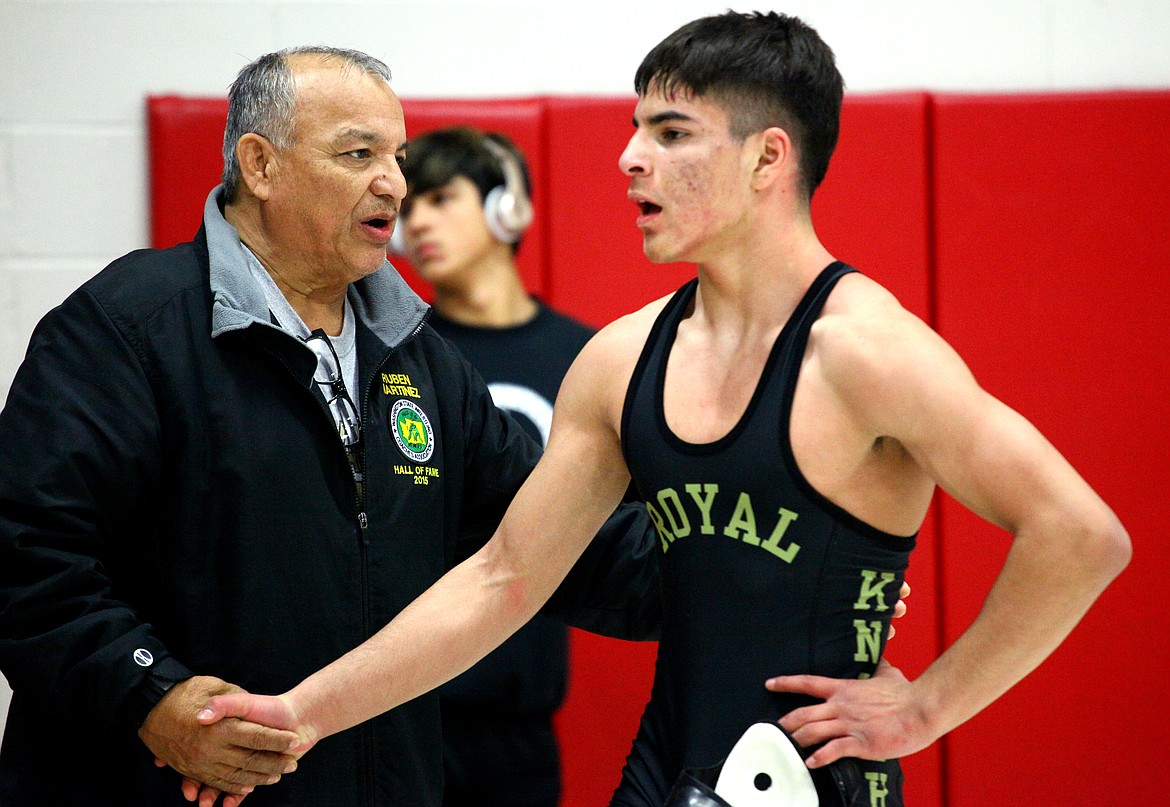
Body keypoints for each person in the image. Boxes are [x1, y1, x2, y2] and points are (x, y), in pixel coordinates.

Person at [199, 10, 1128, 807]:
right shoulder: (620, 358)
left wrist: (927, 708)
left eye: (672, 133)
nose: (630, 157)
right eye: (637, 128)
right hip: (661, 772)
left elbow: (1080, 533)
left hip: (813, 778)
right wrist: (300, 714)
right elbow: (504, 581)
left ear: (769, 158)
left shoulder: (867, 352)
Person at [0, 46, 665, 807]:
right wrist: (150, 694)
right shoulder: (126, 328)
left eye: (398, 155)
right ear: (260, 165)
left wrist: (763, 564)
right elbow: (28, 555)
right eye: (359, 154)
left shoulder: (423, 362)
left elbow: (571, 540)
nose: (395, 183)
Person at [394, 126, 594, 806]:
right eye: (407, 207)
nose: (417, 221)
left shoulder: (586, 358)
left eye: (441, 198)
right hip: (403, 715)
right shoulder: (395, 360)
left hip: (519, 726)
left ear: (505, 208)